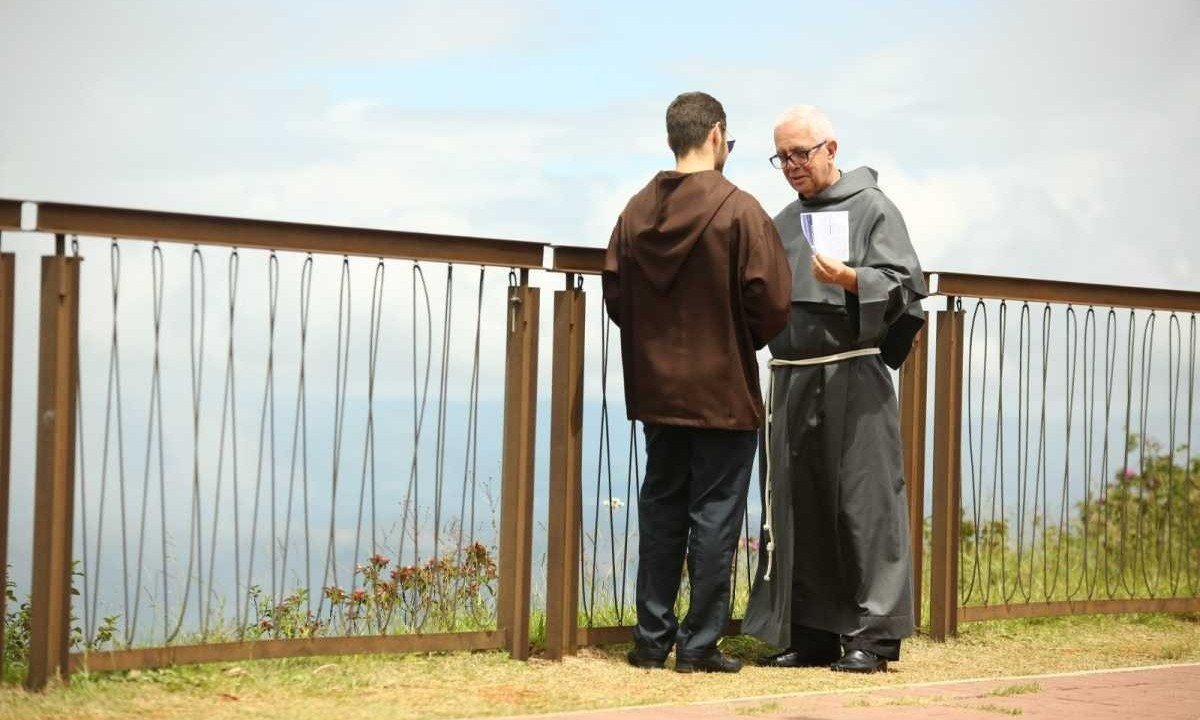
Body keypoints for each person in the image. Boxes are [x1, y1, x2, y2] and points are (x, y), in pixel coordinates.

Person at [603, 91, 791, 674]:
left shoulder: (635, 212)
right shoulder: (740, 210)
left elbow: (616, 294)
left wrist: (655, 347)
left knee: (661, 509)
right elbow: (772, 302)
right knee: (715, 516)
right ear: (715, 136)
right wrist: (739, 338)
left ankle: (649, 641)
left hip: (657, 392)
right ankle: (699, 645)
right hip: (723, 393)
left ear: (672, 138)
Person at [743, 105, 927, 674]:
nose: (792, 165)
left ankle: (873, 636)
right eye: (782, 157)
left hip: (852, 371)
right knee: (801, 504)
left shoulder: (873, 208)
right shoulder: (781, 220)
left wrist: (851, 280)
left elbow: (904, 287)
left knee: (864, 503)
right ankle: (814, 630)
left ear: (831, 148)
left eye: (801, 152)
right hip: (795, 375)